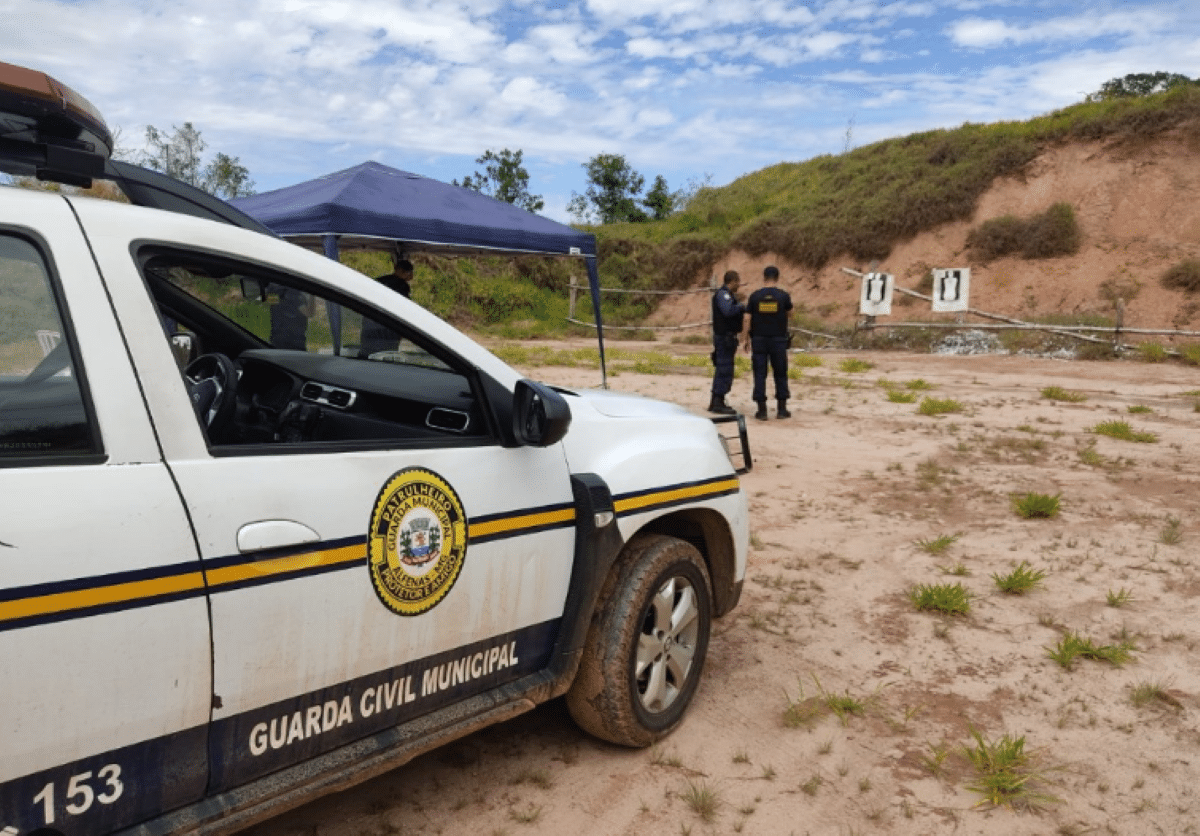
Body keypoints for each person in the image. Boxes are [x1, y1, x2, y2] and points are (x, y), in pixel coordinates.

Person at [746, 265, 793, 420]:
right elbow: (791, 314)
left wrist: (745, 338)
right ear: (777, 278)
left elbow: (747, 318)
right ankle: (781, 409)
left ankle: (761, 410)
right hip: (778, 340)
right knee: (780, 373)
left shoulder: (754, 296)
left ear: (764, 277)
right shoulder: (783, 296)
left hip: (758, 340)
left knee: (759, 374)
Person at [360, 253, 414, 357]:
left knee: (367, 354)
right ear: (404, 272)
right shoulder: (401, 286)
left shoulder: (379, 281)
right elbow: (404, 309)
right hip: (387, 328)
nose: (411, 277)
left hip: (369, 325)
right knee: (385, 355)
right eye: (410, 273)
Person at [708, 270, 744, 415]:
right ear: (733, 281)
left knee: (725, 369)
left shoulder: (726, 295)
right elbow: (728, 311)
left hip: (726, 338)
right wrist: (741, 307)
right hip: (724, 338)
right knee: (724, 369)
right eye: (738, 281)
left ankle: (718, 400)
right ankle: (717, 402)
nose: (739, 285)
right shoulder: (723, 295)